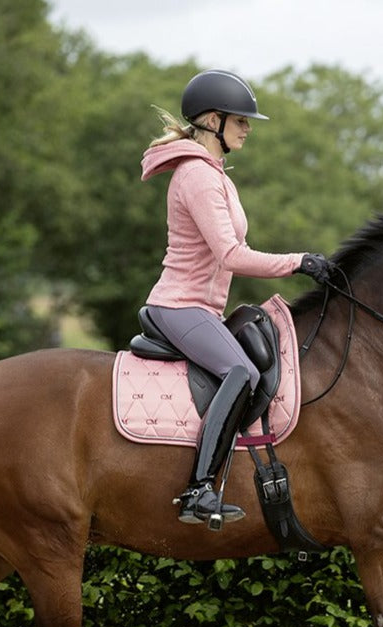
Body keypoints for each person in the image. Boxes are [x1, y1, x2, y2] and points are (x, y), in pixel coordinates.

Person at [140, 68, 333, 527]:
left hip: (201, 308)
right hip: (178, 305)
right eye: (240, 120)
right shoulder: (199, 177)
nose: (248, 128)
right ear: (212, 121)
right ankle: (199, 491)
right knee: (242, 371)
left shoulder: (217, 175)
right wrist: (298, 261)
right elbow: (230, 255)